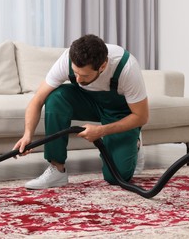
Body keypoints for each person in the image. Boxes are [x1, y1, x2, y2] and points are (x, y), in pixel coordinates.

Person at [13, 34, 149, 189]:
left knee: (116, 177)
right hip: (87, 102)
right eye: (75, 72)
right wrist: (27, 134)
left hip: (118, 112)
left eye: (84, 75)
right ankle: (57, 170)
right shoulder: (67, 60)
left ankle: (134, 143)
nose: (77, 79)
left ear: (103, 66)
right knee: (55, 98)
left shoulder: (126, 67)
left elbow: (142, 116)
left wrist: (101, 131)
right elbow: (37, 100)